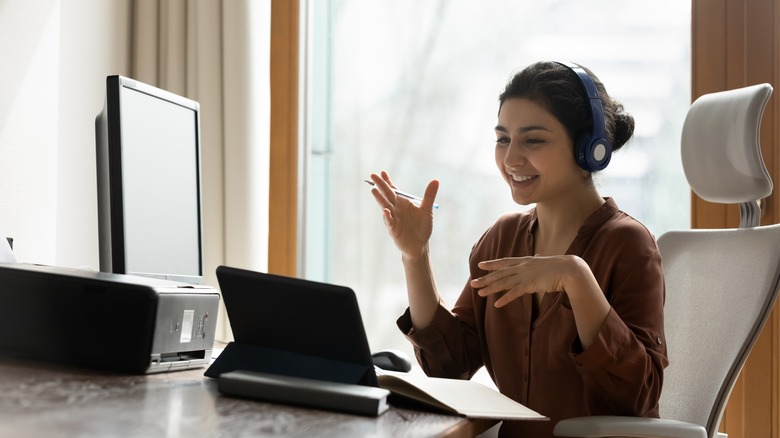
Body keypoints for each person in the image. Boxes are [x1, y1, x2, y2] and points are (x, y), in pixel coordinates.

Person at [367, 61, 668, 437]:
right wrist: (416, 256)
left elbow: (637, 398)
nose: (511, 160)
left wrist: (576, 278)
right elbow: (450, 364)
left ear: (590, 148)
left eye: (533, 140)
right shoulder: (502, 237)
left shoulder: (628, 244)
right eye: (503, 139)